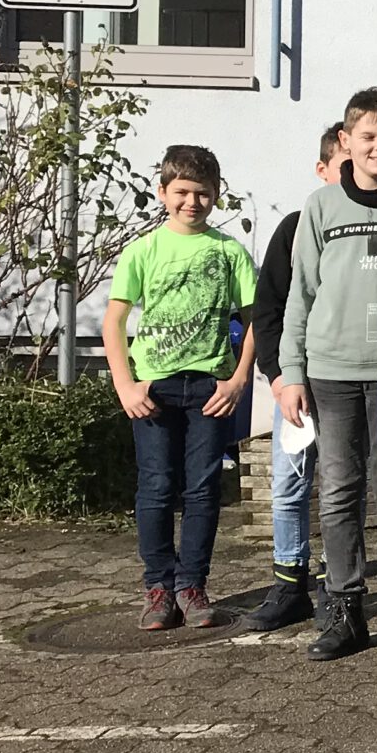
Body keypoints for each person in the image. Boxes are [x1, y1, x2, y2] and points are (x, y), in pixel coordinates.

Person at [280, 88, 377, 662]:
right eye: (368, 136)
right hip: (330, 371)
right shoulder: (320, 206)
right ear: (345, 141)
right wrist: (291, 371)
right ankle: (344, 608)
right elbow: (301, 292)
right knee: (339, 492)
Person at [101, 145, 257, 633]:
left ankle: (192, 586)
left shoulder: (229, 252)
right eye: (183, 192)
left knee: (203, 488)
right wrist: (125, 385)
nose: (193, 202)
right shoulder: (143, 251)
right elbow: (113, 321)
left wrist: (238, 379)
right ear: (163, 192)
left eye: (203, 193)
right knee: (155, 486)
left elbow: (255, 319)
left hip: (210, 390)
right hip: (154, 390)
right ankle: (158, 588)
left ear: (216, 195)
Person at [241, 122, 344, 634]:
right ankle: (289, 584)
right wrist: (279, 377)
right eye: (343, 166)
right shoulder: (296, 228)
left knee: (343, 488)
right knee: (289, 483)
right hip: (295, 386)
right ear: (322, 170)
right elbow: (269, 310)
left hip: (347, 383)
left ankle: (336, 583)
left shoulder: (375, 226)